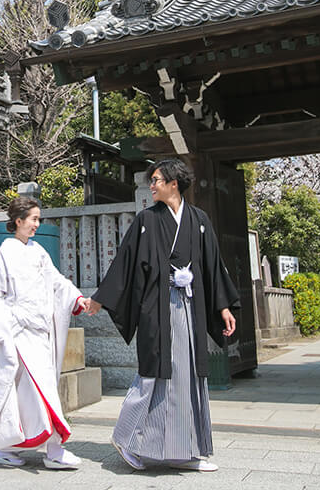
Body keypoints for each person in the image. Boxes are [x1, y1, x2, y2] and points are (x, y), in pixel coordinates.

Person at [84, 158, 239, 472]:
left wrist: (222, 306)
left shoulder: (199, 219)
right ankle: (126, 436)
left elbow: (211, 265)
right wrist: (101, 299)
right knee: (155, 371)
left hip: (191, 306)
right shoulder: (147, 220)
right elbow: (125, 262)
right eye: (151, 180)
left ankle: (185, 450)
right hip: (158, 306)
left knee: (189, 375)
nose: (151, 185)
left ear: (174, 183)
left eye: (156, 180)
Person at [0, 195, 89, 469]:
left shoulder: (38, 251)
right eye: (33, 219)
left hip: (38, 332)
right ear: (18, 221)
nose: (37, 224)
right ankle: (53, 450)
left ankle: (11, 445)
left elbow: (56, 281)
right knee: (34, 389)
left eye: (38, 219)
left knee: (28, 392)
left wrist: (77, 299)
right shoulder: (4, 253)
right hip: (15, 332)